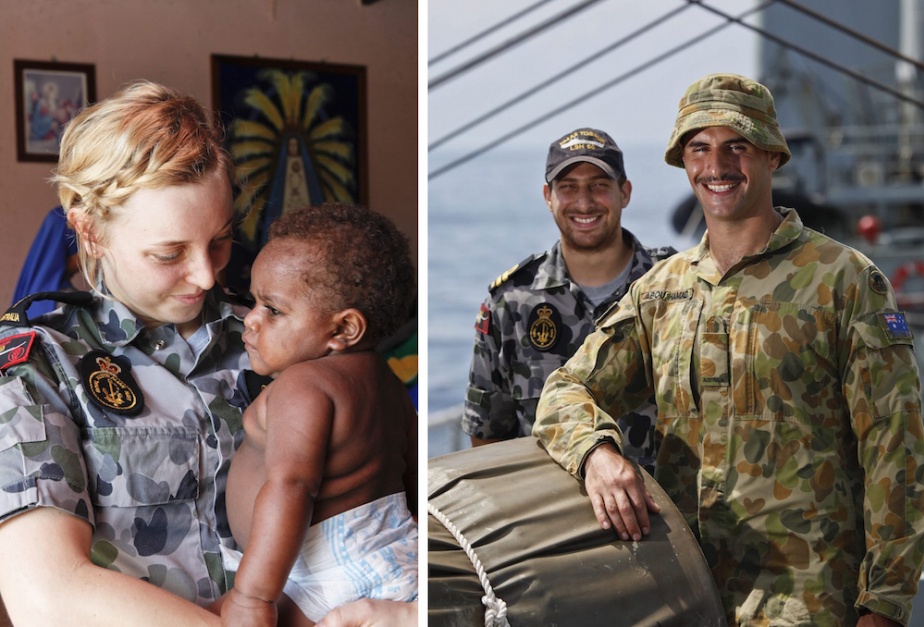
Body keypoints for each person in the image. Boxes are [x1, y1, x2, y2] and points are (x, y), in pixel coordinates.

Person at [533, 73, 924, 626]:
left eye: (736, 146)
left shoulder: (843, 280)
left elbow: (896, 447)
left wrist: (884, 604)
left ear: (771, 157)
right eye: (699, 148)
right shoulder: (663, 290)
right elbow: (565, 389)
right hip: (686, 594)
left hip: (807, 599)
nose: (716, 166)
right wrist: (597, 454)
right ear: (684, 162)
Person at [0, 80, 304, 625]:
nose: (206, 274)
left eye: (220, 240)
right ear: (88, 231)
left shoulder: (277, 341)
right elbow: (48, 597)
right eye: (169, 253)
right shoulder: (39, 366)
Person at [217, 203, 418, 626]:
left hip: (321, 571)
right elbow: (411, 478)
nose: (250, 320)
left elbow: (291, 486)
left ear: (343, 329)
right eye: (252, 302)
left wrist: (252, 598)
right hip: (395, 553)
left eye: (273, 310)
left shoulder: (303, 384)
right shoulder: (388, 384)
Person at [463, 127, 675, 464]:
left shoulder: (675, 286)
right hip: (552, 512)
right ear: (548, 197)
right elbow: (488, 437)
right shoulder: (512, 303)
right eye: (568, 188)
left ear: (625, 192)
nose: (584, 202)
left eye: (599, 186)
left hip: (663, 509)